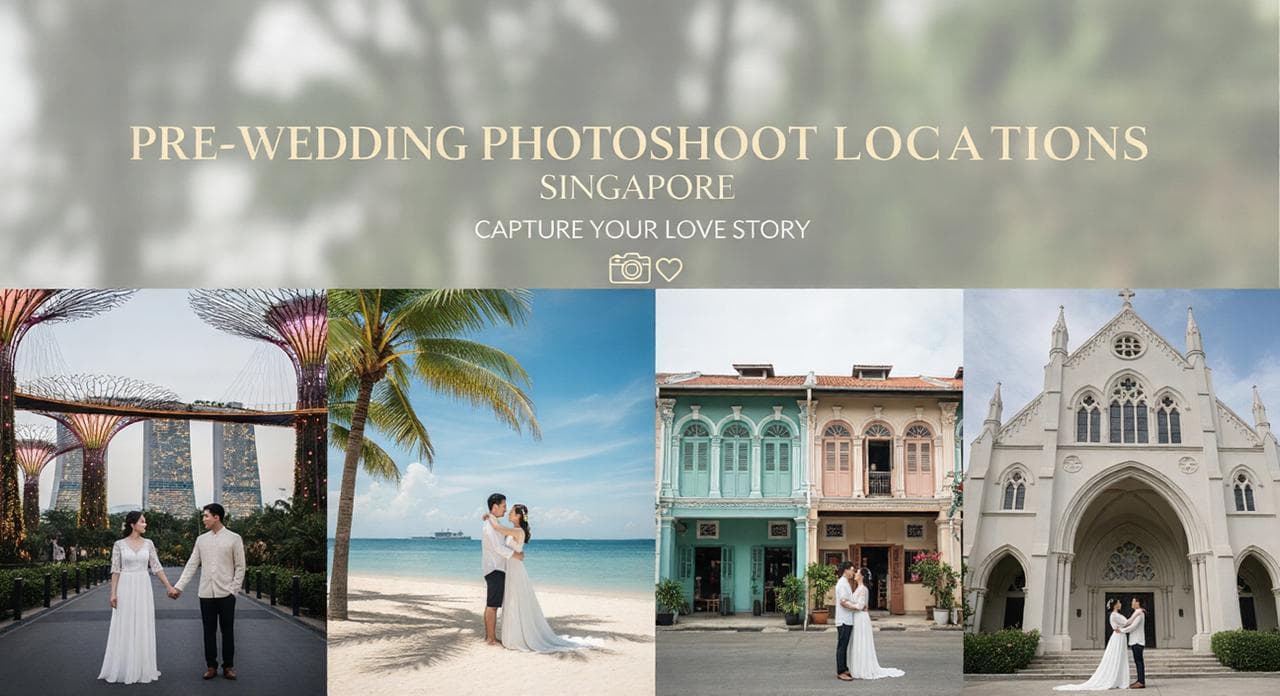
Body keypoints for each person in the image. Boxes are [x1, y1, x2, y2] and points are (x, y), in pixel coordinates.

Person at [483, 503, 594, 652]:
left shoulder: (518, 531)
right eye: (507, 510)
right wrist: (490, 517)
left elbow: (498, 528)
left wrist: (489, 516)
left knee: (517, 600)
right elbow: (499, 535)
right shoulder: (513, 530)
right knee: (512, 601)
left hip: (515, 569)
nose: (508, 513)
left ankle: (517, 636)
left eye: (512, 512)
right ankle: (510, 635)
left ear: (518, 516)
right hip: (510, 568)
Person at [98, 511, 177, 684]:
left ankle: (142, 667)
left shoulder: (148, 543)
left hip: (143, 586)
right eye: (142, 521)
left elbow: (156, 567)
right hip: (125, 586)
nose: (145, 524)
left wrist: (169, 586)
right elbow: (115, 570)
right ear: (133, 524)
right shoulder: (119, 544)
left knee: (142, 623)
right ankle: (123, 666)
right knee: (124, 623)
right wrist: (113, 593)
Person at [172, 503, 246, 681]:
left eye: (206, 516)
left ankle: (228, 666)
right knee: (208, 631)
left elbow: (240, 566)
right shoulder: (201, 540)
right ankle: (211, 666)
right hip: (205, 593)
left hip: (226, 594)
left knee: (227, 631)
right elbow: (191, 564)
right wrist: (179, 586)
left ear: (216, 517)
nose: (203, 519)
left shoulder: (234, 538)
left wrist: (233, 590)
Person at [1053, 599, 1134, 690]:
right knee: (1117, 657)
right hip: (1118, 637)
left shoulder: (1117, 614)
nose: (1120, 604)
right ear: (1115, 605)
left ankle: (1119, 679)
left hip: (1120, 637)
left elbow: (1126, 623)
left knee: (1120, 657)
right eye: (1119, 603)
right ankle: (1116, 679)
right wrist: (1137, 614)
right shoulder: (1114, 615)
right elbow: (1127, 623)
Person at [846, 565, 904, 679]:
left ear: (862, 576)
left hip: (861, 618)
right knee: (857, 642)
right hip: (857, 617)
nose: (855, 575)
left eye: (857, 573)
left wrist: (847, 604)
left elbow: (861, 606)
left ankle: (863, 668)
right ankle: (857, 666)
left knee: (861, 641)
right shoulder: (858, 588)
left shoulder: (863, 589)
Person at [482, 493, 523, 645]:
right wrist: (515, 555)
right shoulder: (490, 525)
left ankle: (489, 636)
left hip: (496, 568)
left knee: (492, 604)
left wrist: (488, 516)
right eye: (504, 506)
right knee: (493, 605)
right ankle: (491, 638)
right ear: (495, 507)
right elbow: (497, 547)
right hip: (495, 569)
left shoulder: (492, 522)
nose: (505, 510)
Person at [833, 561, 856, 681]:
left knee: (845, 645)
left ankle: (844, 668)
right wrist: (856, 607)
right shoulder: (842, 583)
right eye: (852, 569)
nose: (853, 572)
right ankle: (840, 671)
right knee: (842, 646)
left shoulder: (846, 582)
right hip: (843, 620)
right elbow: (843, 601)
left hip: (847, 619)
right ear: (846, 570)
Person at [1121, 597, 1147, 689]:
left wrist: (1121, 630)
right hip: (1135, 641)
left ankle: (1141, 682)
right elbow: (1129, 622)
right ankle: (1140, 680)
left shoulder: (1140, 613)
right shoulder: (1137, 612)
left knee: (1139, 662)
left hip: (1138, 641)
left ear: (1138, 602)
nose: (1131, 603)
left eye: (1133, 602)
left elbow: (1133, 626)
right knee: (1138, 661)